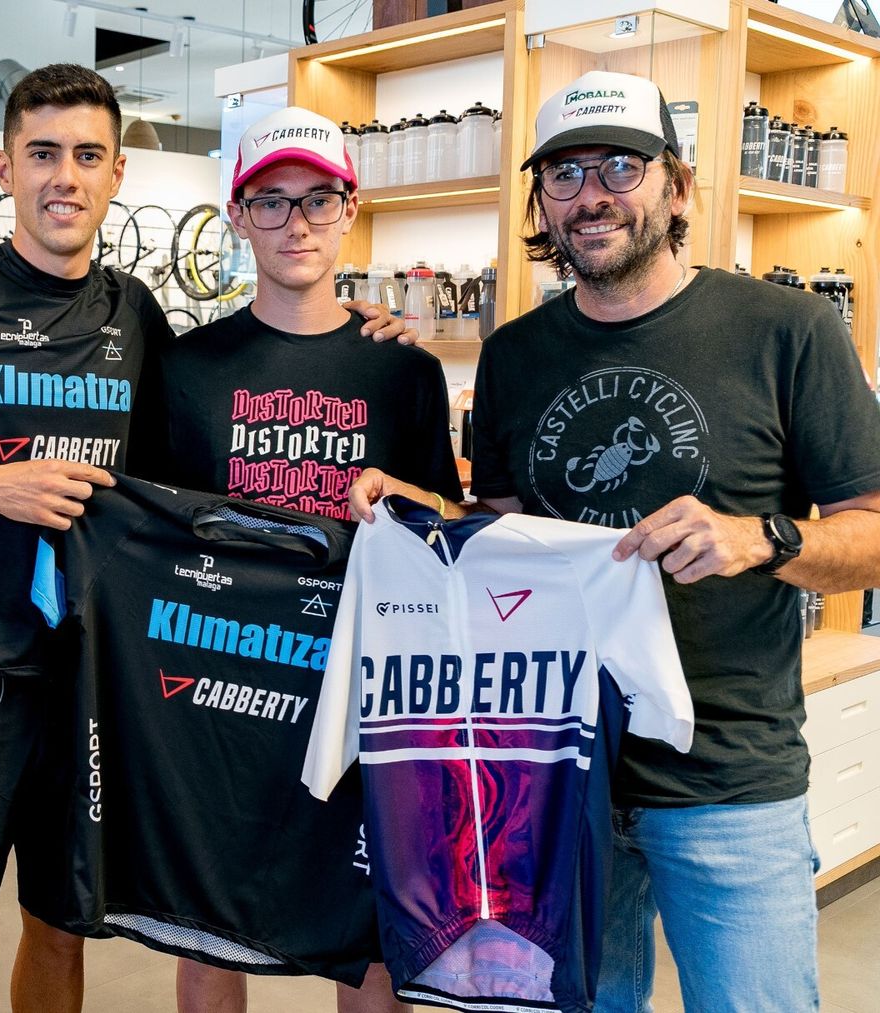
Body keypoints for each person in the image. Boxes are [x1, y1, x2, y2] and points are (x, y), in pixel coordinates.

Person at [0, 65, 405, 1013]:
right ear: (6, 167)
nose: (65, 176)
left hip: (94, 686)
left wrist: (357, 328)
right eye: (43, 153)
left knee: (61, 929)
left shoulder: (137, 314)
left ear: (117, 173)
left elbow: (192, 478)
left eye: (88, 155)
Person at [348, 70, 880, 1013]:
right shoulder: (515, 354)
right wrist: (421, 508)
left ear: (676, 186)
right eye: (563, 174)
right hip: (558, 775)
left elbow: (871, 534)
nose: (590, 195)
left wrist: (760, 537)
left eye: (619, 167)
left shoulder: (785, 330)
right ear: (542, 205)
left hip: (730, 777)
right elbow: (505, 541)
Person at [129, 106, 459, 1013]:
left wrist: (401, 495)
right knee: (209, 923)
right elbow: (147, 533)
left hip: (364, 679)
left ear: (350, 208)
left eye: (318, 199)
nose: (297, 223)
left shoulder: (403, 369)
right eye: (271, 202)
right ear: (238, 216)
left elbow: (449, 521)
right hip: (222, 683)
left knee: (374, 933)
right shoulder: (187, 368)